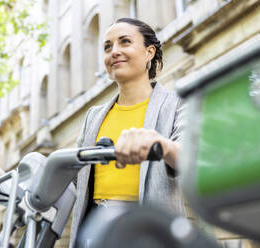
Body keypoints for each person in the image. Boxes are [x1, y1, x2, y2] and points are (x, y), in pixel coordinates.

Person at [70, 18, 186, 248]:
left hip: (149, 234)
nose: (115, 52)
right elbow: (73, 177)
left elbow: (191, 157)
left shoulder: (176, 104)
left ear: (149, 52)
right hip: (95, 232)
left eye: (125, 42)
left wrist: (161, 145)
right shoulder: (94, 116)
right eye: (107, 47)